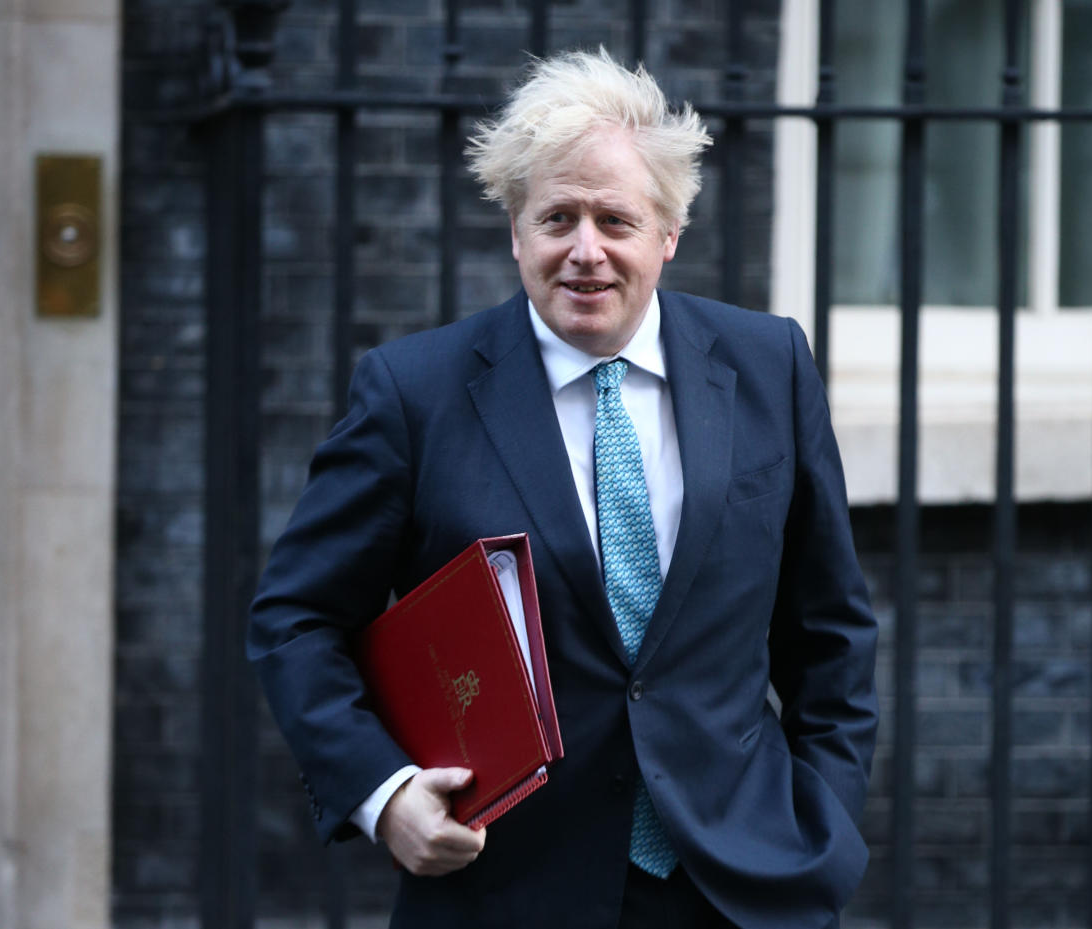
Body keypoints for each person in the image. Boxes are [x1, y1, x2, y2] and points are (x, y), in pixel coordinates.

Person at [248, 47, 878, 929]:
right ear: (516, 232)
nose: (586, 252)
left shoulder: (768, 365)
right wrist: (384, 794)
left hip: (741, 886)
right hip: (505, 890)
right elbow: (296, 619)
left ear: (668, 232)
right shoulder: (413, 393)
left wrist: (823, 815)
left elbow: (831, 630)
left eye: (615, 220)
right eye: (558, 219)